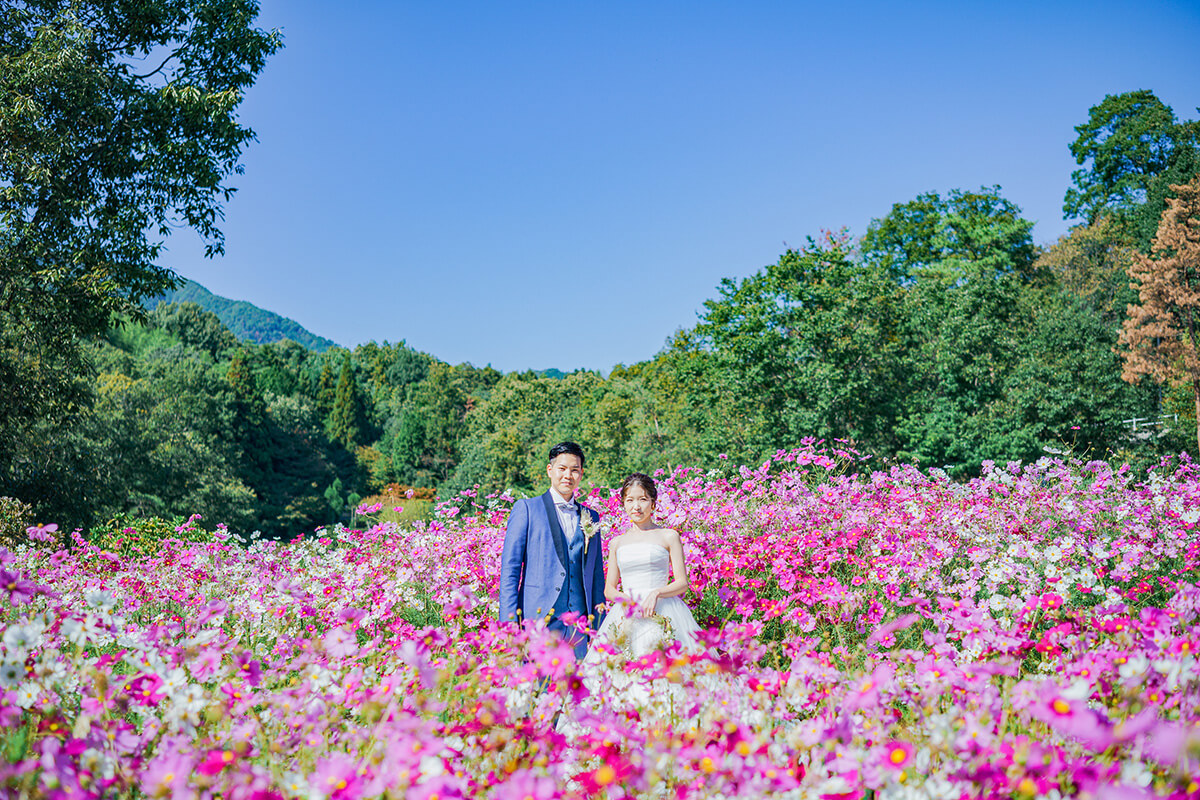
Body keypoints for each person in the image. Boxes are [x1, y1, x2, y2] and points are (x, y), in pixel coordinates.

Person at [499, 441, 607, 659]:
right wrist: (509, 625)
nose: (568, 475)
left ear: (581, 474)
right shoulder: (527, 509)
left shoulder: (591, 517)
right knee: (539, 689)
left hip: (580, 624)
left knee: (578, 689)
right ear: (550, 470)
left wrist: (599, 625)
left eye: (574, 470)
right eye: (562, 468)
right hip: (539, 621)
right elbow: (510, 571)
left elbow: (596, 575)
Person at [591, 473, 701, 656]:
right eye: (630, 500)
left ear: (653, 503)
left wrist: (656, 593)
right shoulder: (617, 542)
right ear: (624, 504)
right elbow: (609, 589)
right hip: (627, 612)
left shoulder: (669, 535)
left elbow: (682, 583)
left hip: (664, 609)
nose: (636, 506)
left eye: (642, 499)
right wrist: (626, 601)